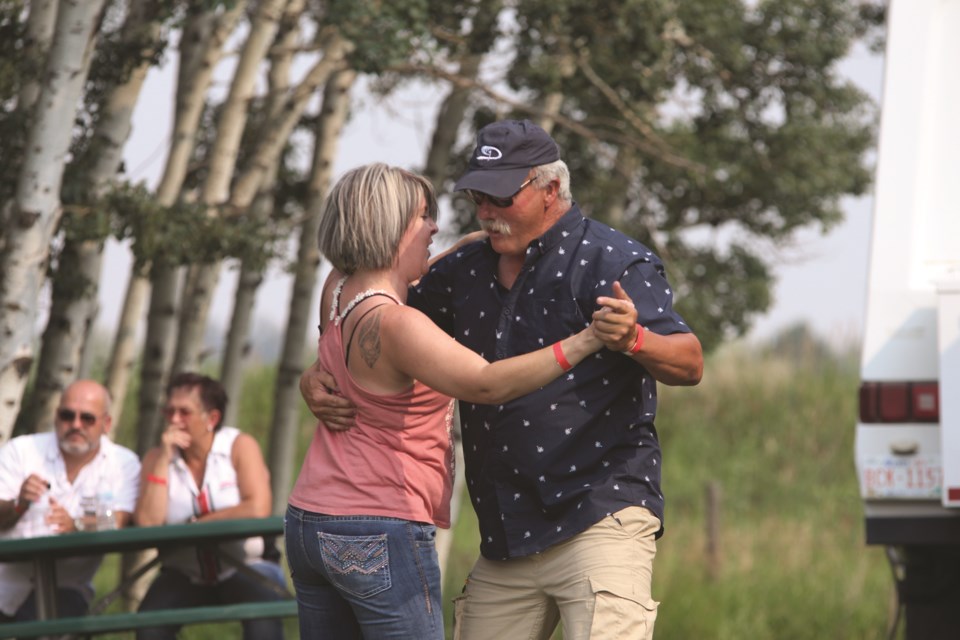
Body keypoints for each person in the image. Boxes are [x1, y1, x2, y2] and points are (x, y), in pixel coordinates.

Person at [301, 120, 704, 640]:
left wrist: (633, 340)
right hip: (508, 534)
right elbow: (373, 324)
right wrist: (319, 373)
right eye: (476, 197)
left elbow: (690, 363)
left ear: (550, 190)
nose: (485, 212)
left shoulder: (613, 259)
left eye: (499, 197)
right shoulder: (462, 268)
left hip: (602, 516)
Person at [284, 162, 620, 640]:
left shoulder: (337, 287)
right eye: (424, 217)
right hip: (380, 524)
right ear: (392, 225)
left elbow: (330, 357)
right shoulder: (397, 325)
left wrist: (491, 237)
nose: (435, 227)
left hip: (309, 520)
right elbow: (486, 383)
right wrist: (584, 341)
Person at [134, 372, 285, 640]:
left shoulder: (239, 446)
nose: (174, 420)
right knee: (149, 626)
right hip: (183, 572)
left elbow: (257, 507)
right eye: (169, 411)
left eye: (184, 412)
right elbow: (147, 523)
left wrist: (197, 526)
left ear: (211, 419)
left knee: (264, 623)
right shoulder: (157, 456)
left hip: (247, 565)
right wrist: (162, 460)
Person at [0, 379, 141, 621]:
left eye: (87, 418)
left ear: (106, 423)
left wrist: (75, 525)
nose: (76, 425)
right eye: (67, 415)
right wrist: (19, 504)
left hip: (67, 589)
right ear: (56, 417)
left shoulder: (123, 463)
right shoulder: (21, 450)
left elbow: (118, 519)